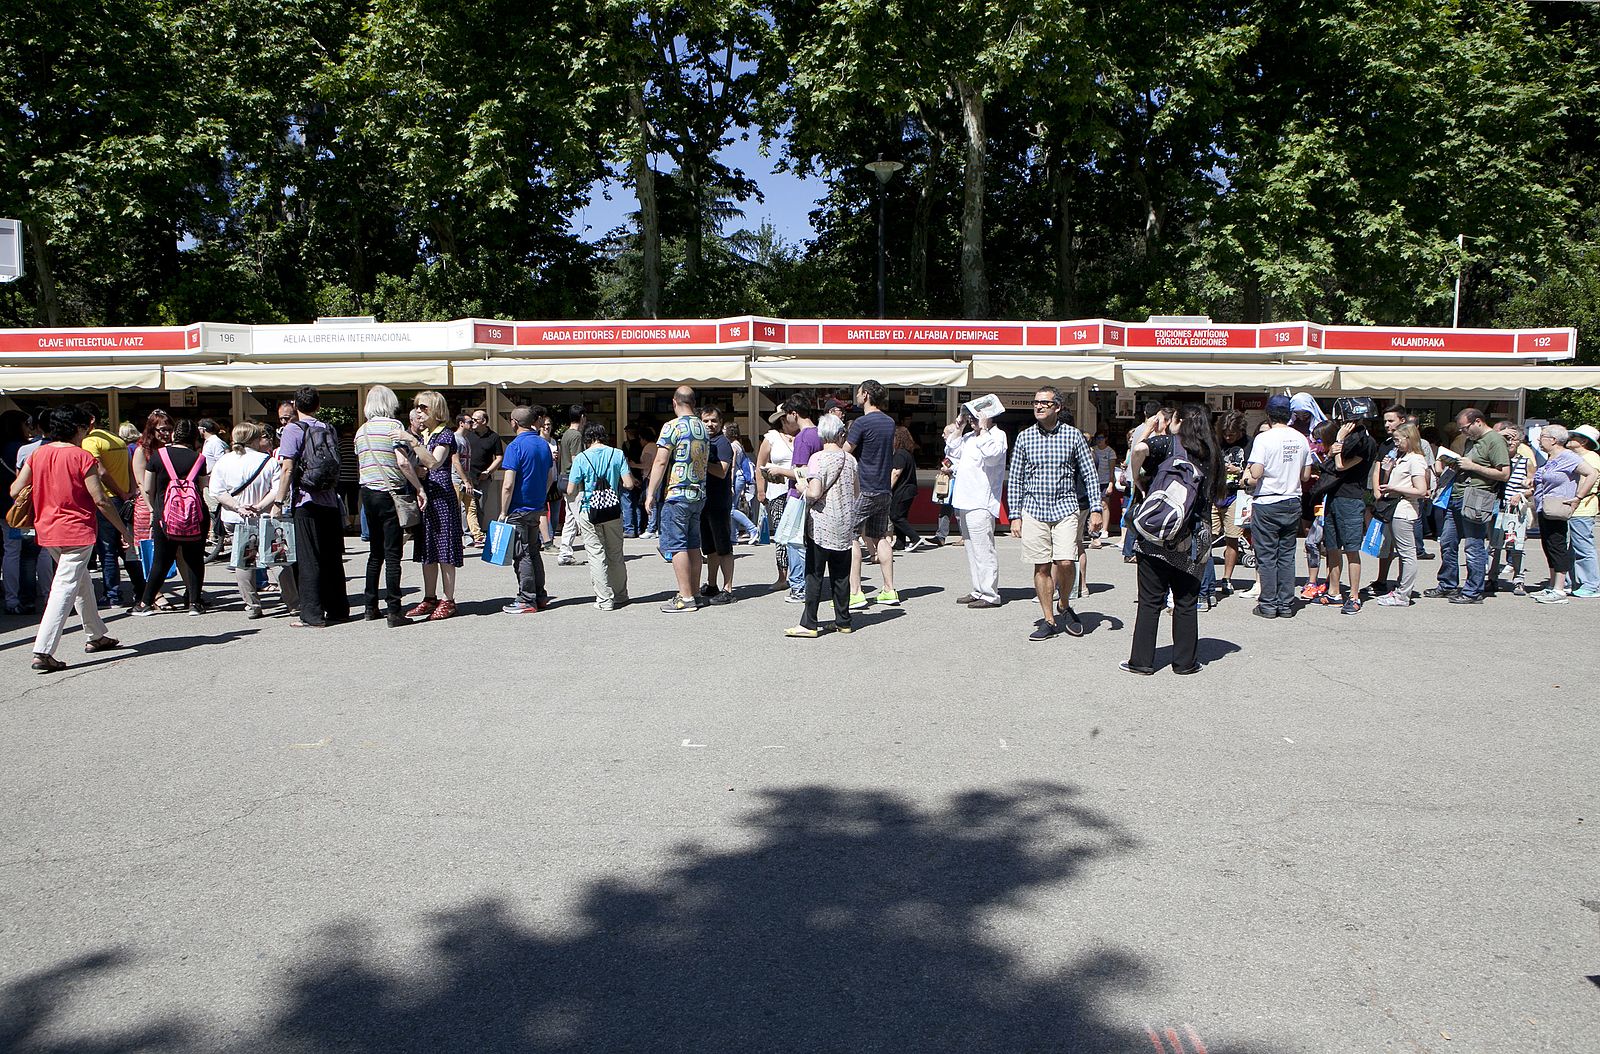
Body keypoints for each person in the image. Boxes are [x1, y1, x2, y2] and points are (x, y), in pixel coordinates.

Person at [9, 406, 130, 672]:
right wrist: (124, 530)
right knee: (64, 587)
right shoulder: (82, 457)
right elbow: (100, 499)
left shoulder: (38, 453)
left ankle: (96, 634)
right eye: (85, 427)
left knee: (80, 580)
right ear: (77, 429)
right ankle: (43, 650)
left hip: (47, 529)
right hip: (77, 530)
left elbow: (15, 489)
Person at [1124, 404, 1220, 675]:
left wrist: (1137, 476)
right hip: (1194, 536)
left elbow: (1139, 450)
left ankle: (1141, 662)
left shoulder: (1168, 444)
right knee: (1186, 601)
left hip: (1156, 534)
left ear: (1177, 421)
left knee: (1150, 601)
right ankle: (1185, 663)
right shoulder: (1212, 453)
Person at [1006, 385, 1104, 641]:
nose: (1038, 406)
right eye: (1035, 402)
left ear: (1057, 407)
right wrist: (1014, 515)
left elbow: (1089, 476)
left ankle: (1064, 604)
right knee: (1041, 566)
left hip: (1065, 508)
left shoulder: (1073, 436)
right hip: (1034, 510)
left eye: (1044, 403)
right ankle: (1049, 620)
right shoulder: (1025, 437)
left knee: (1065, 561)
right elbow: (1015, 478)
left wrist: (1095, 509)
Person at [248, 385, 350, 627]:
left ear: (295, 404)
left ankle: (312, 614)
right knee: (332, 557)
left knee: (309, 558)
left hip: (305, 500)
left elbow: (287, 468)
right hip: (330, 499)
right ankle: (338, 609)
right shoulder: (328, 428)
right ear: (318, 405)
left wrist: (279, 501)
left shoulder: (293, 429)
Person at [354, 386, 426, 627]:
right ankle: (394, 610)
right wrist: (419, 487)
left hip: (367, 493)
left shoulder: (361, 431)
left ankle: (369, 605)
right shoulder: (394, 428)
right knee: (393, 553)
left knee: (375, 553)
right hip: (390, 493)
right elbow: (403, 462)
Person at [785, 413, 861, 637]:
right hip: (845, 524)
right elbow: (856, 492)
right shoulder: (851, 459)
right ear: (840, 434)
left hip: (821, 524)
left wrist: (801, 488)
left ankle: (809, 623)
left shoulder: (818, 458)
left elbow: (815, 492)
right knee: (841, 574)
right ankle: (843, 620)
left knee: (815, 574)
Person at [1424, 408, 1508, 604]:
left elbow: (1504, 473)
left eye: (1465, 428)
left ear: (1478, 422)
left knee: (1473, 545)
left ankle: (1473, 591)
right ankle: (1448, 584)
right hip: (1457, 495)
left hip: (1477, 497)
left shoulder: (1495, 440)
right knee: (1447, 541)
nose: (1463, 432)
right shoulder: (1472, 440)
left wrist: (1473, 467)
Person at [1242, 394, 1312, 619]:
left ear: (1268, 415)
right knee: (1286, 554)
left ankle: (1268, 604)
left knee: (1267, 555)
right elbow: (1305, 475)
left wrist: (1248, 475)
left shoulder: (1264, 439)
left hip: (1268, 500)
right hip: (1292, 499)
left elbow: (1257, 473)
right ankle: (1285, 603)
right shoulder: (1301, 438)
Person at [132, 417, 210, 616]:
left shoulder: (159, 456)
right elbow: (203, 487)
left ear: (175, 434)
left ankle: (146, 603)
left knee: (161, 560)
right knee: (194, 559)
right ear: (194, 438)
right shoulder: (198, 459)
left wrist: (153, 508)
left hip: (164, 517)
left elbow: (147, 488)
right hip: (195, 516)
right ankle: (194, 602)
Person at [400, 390, 464, 621]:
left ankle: (448, 599)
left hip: (442, 498)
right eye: (417, 406)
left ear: (436, 410)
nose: (419, 411)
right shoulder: (426, 435)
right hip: (427, 497)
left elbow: (434, 462)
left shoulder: (445, 434)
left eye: (423, 407)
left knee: (445, 551)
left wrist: (413, 442)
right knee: (428, 551)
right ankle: (429, 597)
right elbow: (423, 467)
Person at [645, 386, 710, 613]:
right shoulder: (703, 427)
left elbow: (661, 461)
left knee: (677, 544)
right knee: (694, 543)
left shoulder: (672, 426)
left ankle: (685, 597)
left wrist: (650, 492)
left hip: (677, 493)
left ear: (675, 402)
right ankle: (695, 592)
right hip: (698, 493)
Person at [209, 422, 280, 619]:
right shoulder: (268, 461)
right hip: (264, 515)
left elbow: (217, 491)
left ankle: (252, 604)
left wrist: (238, 507)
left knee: (244, 560)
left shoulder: (224, 461)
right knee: (276, 559)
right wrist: (259, 506)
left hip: (235, 517)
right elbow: (277, 489)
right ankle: (293, 602)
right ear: (255, 439)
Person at [944, 400, 1007, 608]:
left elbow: (992, 456)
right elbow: (952, 454)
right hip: (964, 499)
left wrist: (984, 429)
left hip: (981, 501)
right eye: (969, 416)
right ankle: (978, 588)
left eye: (974, 416)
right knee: (972, 549)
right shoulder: (970, 437)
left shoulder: (997, 436)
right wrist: (959, 428)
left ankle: (990, 594)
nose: (971, 420)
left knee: (983, 549)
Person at [566, 421, 633, 610]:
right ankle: (621, 594)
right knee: (616, 554)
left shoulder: (581, 458)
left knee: (596, 554)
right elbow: (628, 483)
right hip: (612, 510)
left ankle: (604, 600)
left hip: (590, 511)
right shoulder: (617, 454)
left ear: (587, 438)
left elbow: (571, 489)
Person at [845, 381, 900, 607]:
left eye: (858, 392)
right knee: (880, 537)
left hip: (864, 487)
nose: (857, 396)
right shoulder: (889, 422)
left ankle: (856, 592)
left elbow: (845, 453)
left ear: (865, 395)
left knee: (849, 535)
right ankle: (889, 589)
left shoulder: (861, 423)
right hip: (884, 488)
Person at [1529, 424, 1599, 603]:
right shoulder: (1551, 458)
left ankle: (1560, 589)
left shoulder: (1569, 457)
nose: (1539, 439)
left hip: (1557, 507)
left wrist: (1578, 497)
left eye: (1542, 436)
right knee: (1548, 546)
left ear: (1553, 440)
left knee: (1557, 545)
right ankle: (1553, 586)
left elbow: (1591, 474)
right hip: (1544, 508)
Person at [1320, 403, 1378, 614]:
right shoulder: (1350, 440)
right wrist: (1335, 448)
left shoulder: (1366, 442)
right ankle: (1334, 591)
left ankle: (1354, 596)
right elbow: (1330, 463)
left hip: (1352, 499)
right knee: (1332, 547)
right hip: (1334, 496)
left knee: (1351, 549)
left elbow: (1341, 465)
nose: (1342, 423)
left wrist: (1339, 441)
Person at [80, 401, 139, 606]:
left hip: (106, 498)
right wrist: (130, 491)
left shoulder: (89, 442)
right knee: (127, 545)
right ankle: (140, 589)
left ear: (89, 420)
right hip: (124, 498)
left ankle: (112, 594)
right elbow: (131, 467)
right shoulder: (117, 439)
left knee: (107, 549)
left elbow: (101, 472)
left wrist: (121, 493)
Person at [500, 405, 555, 614]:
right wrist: (541, 495)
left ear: (514, 422)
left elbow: (508, 484)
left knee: (522, 554)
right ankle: (540, 595)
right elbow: (550, 476)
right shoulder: (543, 445)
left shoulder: (515, 446)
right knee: (533, 551)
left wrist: (503, 511)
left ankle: (526, 599)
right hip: (537, 506)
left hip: (518, 507)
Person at [1373, 423, 1431, 607]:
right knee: (1403, 552)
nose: (1395, 443)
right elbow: (1387, 484)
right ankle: (1400, 590)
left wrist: (1393, 487)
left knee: (1407, 554)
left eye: (1398, 440)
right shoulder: (1402, 457)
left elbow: (1421, 490)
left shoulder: (1415, 460)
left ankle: (1403, 594)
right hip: (1396, 509)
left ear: (1409, 438)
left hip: (1404, 510)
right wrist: (1388, 471)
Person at [755, 398, 804, 598]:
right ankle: (782, 576)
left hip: (800, 491)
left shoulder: (804, 436)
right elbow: (760, 464)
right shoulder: (772, 437)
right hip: (777, 492)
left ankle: (797, 575)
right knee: (782, 535)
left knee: (798, 536)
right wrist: (761, 490)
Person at [1487, 421, 1536, 596]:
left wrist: (1522, 495)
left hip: (1515, 509)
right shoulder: (1494, 461)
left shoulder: (1525, 462)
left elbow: (1533, 487)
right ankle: (1491, 578)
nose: (1509, 442)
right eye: (1506, 438)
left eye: (1513, 439)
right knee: (1493, 546)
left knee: (1516, 546)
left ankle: (1519, 580)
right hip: (1495, 506)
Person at [698, 405, 737, 602]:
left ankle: (728, 589)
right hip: (704, 502)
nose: (710, 424)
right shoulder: (703, 441)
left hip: (719, 502)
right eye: (706, 421)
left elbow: (722, 471)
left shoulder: (722, 443)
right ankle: (712, 584)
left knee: (723, 547)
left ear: (720, 423)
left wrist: (701, 462)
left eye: (713, 420)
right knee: (709, 547)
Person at [1211, 412, 1248, 596]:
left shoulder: (1248, 445)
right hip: (1216, 493)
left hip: (1237, 495)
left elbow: (1254, 471)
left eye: (1231, 434)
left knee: (1232, 538)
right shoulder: (1218, 443)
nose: (1228, 437)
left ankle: (1227, 578)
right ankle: (1206, 577)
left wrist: (1239, 470)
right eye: (1225, 433)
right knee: (1208, 535)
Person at [460, 408, 503, 548]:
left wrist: (488, 472)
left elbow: (499, 458)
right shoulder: (468, 435)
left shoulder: (494, 437)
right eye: (471, 420)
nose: (472, 422)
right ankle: (468, 535)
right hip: (467, 476)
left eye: (475, 420)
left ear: (483, 421)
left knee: (480, 506)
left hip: (483, 477)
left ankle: (477, 533)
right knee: (465, 507)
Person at [1566, 425, 1600, 597]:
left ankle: (1591, 584)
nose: (1569, 438)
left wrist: (1576, 497)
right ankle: (1573, 581)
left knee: (1583, 547)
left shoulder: (1591, 458)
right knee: (1572, 547)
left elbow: (1587, 481)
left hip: (1583, 507)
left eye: (1574, 436)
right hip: (1574, 506)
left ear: (1584, 441)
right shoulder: (1578, 456)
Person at [555, 405, 587, 565]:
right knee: (582, 518)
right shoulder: (576, 436)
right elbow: (577, 461)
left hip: (565, 479)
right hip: (575, 483)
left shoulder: (566, 434)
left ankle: (565, 552)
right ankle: (596, 551)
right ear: (581, 417)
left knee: (570, 519)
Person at [889, 426, 928, 552]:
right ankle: (900, 542)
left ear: (898, 438)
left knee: (895, 516)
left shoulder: (899, 454)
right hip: (908, 490)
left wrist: (888, 488)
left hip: (902, 490)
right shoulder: (907, 454)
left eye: (893, 437)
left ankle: (915, 538)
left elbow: (896, 473)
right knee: (901, 515)